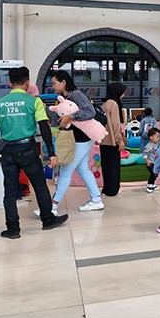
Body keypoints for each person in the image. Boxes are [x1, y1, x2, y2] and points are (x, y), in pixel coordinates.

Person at [0, 67, 68, 239]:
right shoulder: (34, 102)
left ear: (9, 84)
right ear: (28, 83)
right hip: (28, 150)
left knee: (9, 190)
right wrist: (51, 152)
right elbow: (44, 127)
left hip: (7, 151)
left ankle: (13, 229)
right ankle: (47, 220)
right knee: (40, 186)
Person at [49, 70, 105, 214]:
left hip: (83, 138)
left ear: (64, 82)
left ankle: (52, 206)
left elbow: (90, 111)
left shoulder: (76, 95)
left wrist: (71, 117)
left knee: (66, 170)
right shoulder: (61, 98)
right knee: (82, 169)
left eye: (55, 83)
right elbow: (58, 119)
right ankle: (96, 199)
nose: (53, 86)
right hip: (76, 138)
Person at [100, 82, 126, 197]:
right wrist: (119, 140)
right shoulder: (114, 104)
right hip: (112, 141)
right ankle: (113, 190)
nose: (124, 94)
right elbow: (115, 125)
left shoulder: (105, 103)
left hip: (104, 140)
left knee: (106, 166)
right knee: (114, 167)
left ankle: (107, 188)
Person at [142, 127, 160, 193]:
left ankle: (152, 184)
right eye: (157, 137)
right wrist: (147, 160)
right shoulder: (149, 145)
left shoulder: (158, 144)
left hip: (156, 163)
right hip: (150, 163)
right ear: (151, 137)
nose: (159, 138)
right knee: (153, 174)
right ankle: (149, 185)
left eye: (159, 137)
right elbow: (144, 153)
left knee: (156, 174)